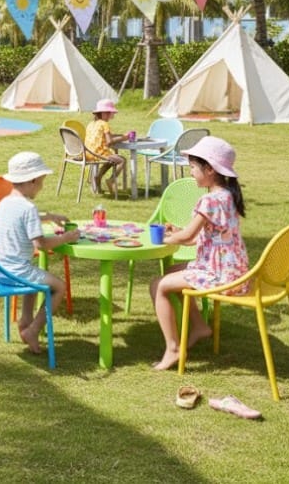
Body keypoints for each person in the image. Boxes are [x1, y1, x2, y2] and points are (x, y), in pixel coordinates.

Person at [149, 136, 248, 371]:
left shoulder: (210, 200)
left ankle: (173, 349)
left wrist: (166, 238)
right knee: (173, 271)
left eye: (193, 167)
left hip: (218, 274)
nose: (190, 172)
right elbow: (199, 236)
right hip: (232, 269)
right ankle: (200, 326)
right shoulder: (227, 196)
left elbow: (186, 239)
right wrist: (179, 231)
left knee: (158, 285)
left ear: (210, 170)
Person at [0, 152, 79, 354]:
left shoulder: (5, 202)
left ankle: (25, 320)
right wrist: (67, 238)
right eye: (41, 181)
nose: (42, 186)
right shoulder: (28, 208)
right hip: (15, 272)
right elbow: (41, 244)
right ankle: (34, 329)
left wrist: (48, 216)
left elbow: (19, 218)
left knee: (34, 275)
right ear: (32, 180)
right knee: (58, 287)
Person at [84, 99, 128, 196]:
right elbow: (109, 142)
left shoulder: (91, 124)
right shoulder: (104, 124)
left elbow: (104, 136)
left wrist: (119, 135)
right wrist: (124, 138)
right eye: (110, 113)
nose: (112, 115)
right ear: (104, 113)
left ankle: (98, 177)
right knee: (122, 160)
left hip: (88, 154)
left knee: (111, 160)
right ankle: (111, 180)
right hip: (99, 154)